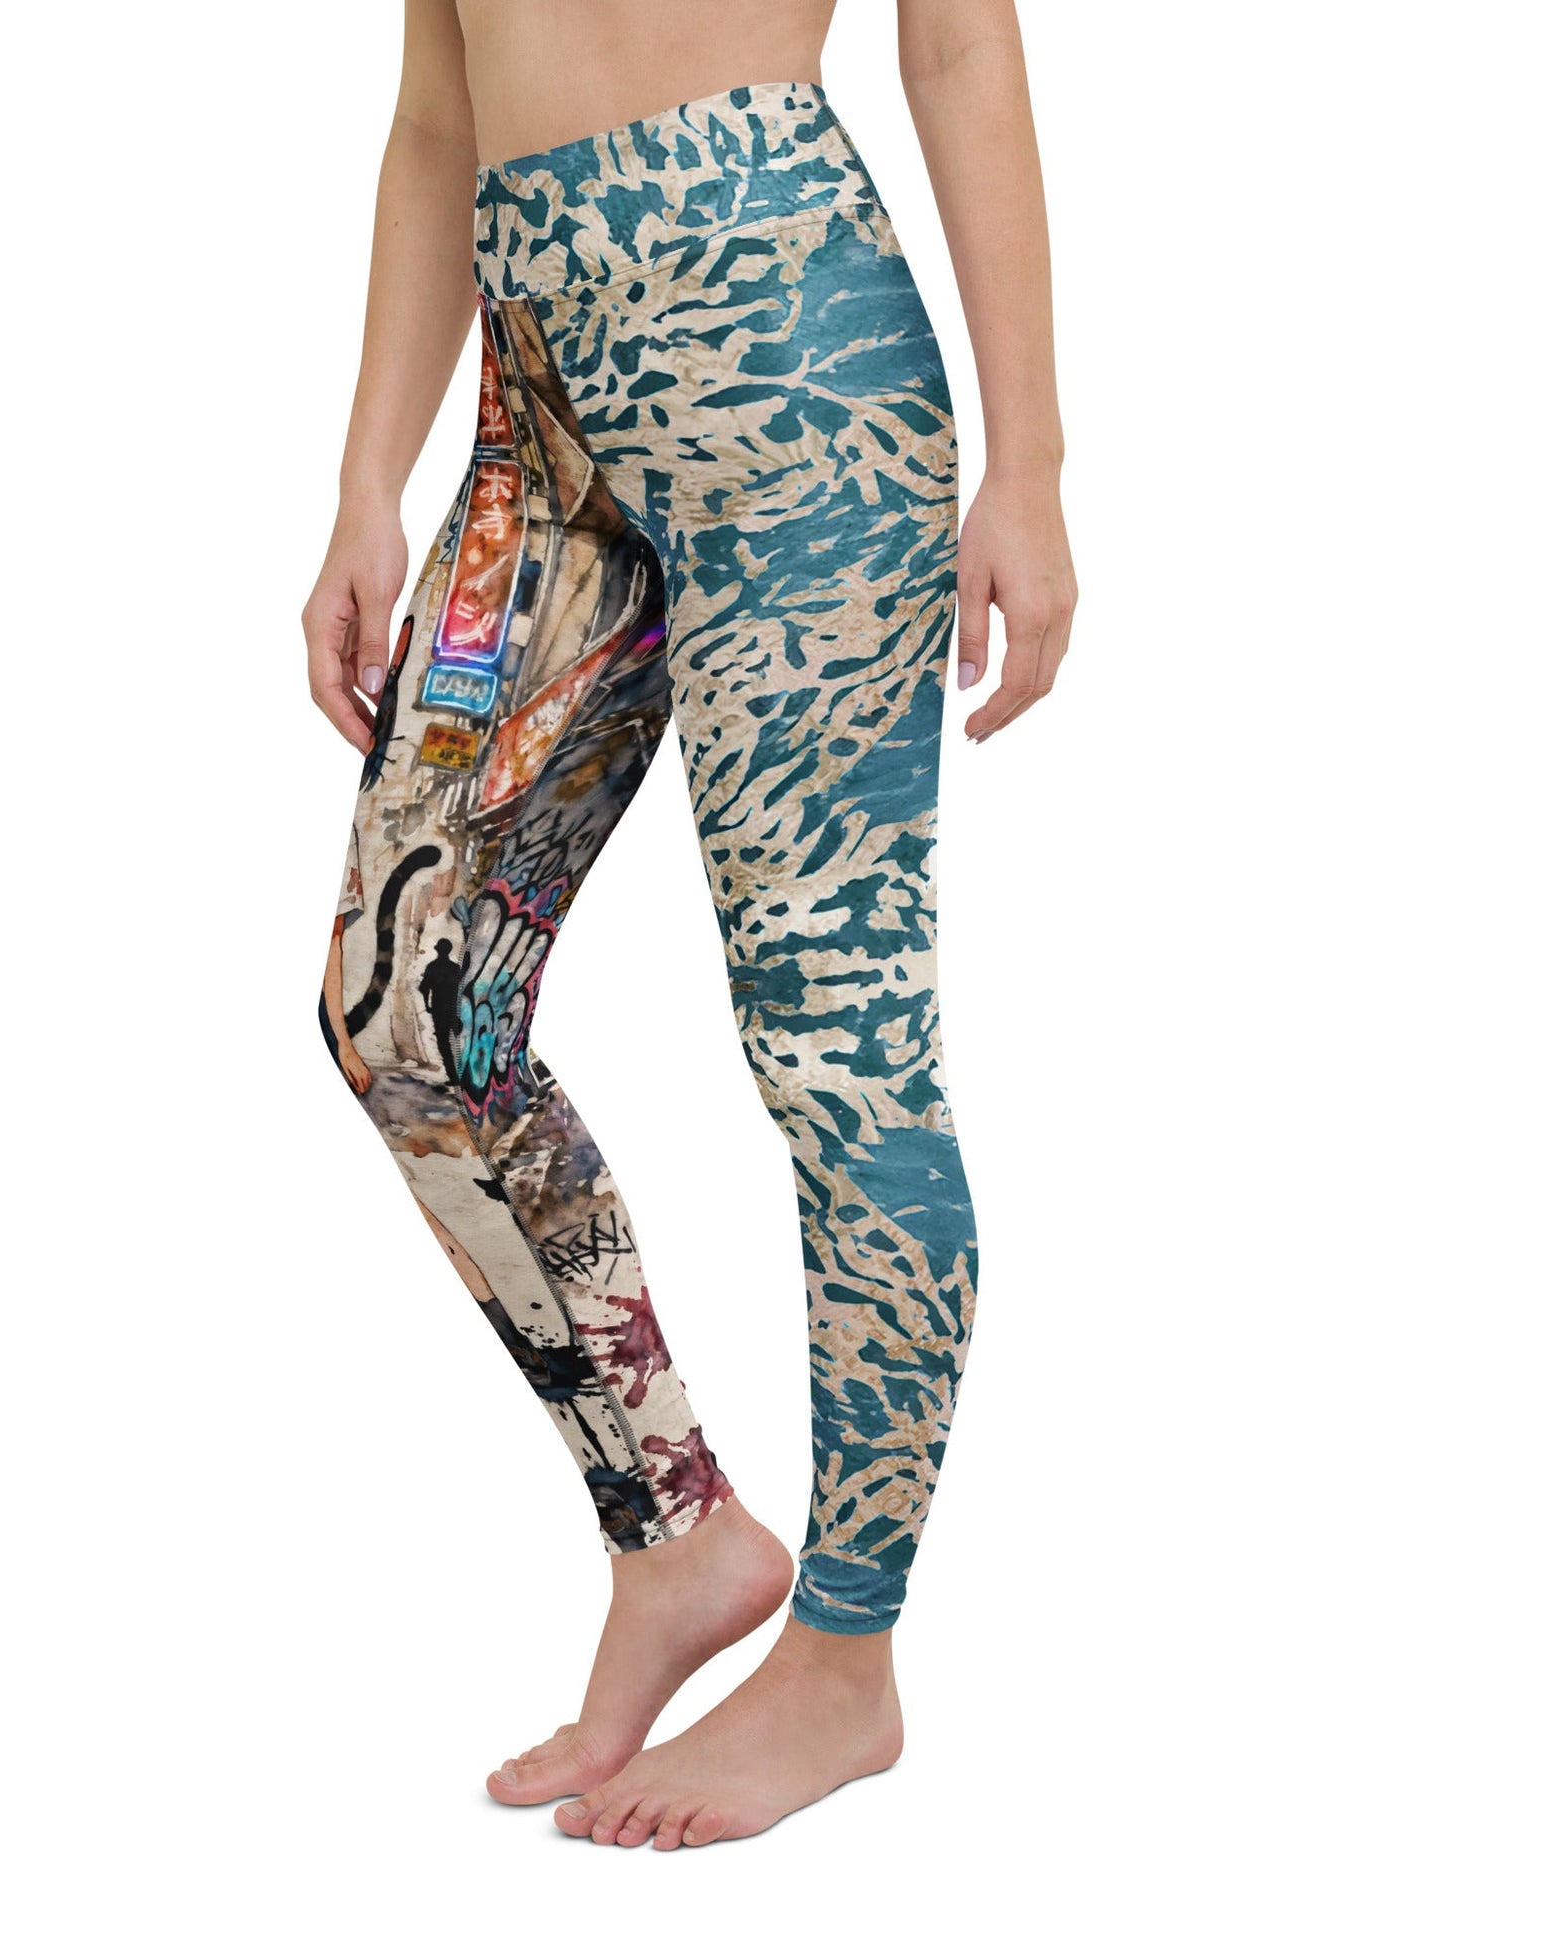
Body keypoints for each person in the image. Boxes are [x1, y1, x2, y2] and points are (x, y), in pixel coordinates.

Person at [305, 0, 1076, 1850]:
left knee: (835, 1049)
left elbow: (960, 47)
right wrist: (363, 484)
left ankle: (845, 1657)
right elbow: (434, 112)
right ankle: (677, 1533)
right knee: (404, 1011)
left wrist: (1031, 465)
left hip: (789, 366)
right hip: (535, 410)